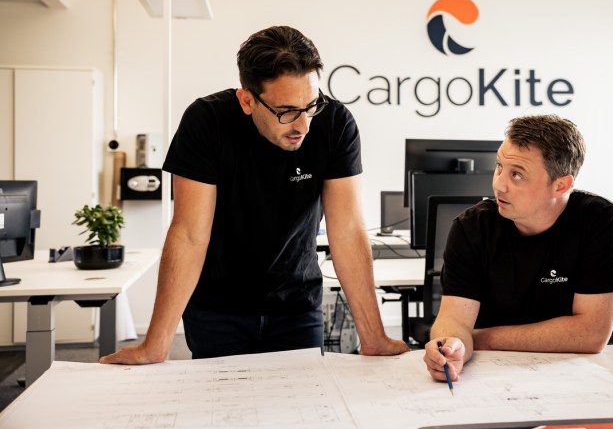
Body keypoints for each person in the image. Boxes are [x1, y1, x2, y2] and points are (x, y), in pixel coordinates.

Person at [101, 26, 408, 364]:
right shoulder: (207, 123)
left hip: (296, 305)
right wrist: (155, 346)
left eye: (311, 105)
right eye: (287, 111)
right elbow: (189, 235)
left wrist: (374, 337)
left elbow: (347, 231)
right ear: (247, 100)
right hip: (217, 308)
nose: (303, 125)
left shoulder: (335, 124)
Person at [423, 114, 613, 384]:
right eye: (499, 167)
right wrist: (452, 345)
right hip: (493, 373)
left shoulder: (599, 220)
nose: (499, 184)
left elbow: (590, 335)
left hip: (575, 374)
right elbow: (454, 320)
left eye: (517, 175)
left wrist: (476, 338)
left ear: (561, 185)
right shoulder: (471, 227)